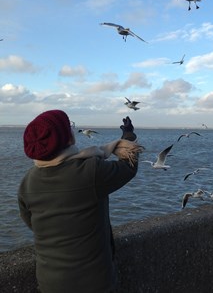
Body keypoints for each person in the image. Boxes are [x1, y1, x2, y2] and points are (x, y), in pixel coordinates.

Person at [18, 110, 142, 293]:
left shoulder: (27, 181)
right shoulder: (90, 171)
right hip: (94, 283)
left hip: (49, 283)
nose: (72, 129)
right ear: (67, 139)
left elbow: (31, 222)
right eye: (69, 127)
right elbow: (128, 168)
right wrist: (129, 137)